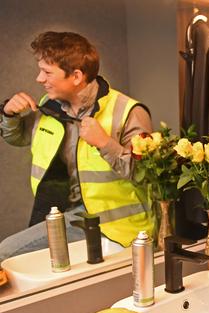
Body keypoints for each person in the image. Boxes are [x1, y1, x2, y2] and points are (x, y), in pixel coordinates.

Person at [0, 31, 153, 263]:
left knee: (5, 254)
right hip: (61, 215)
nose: (39, 79)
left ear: (76, 76)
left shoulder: (129, 112)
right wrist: (9, 114)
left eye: (47, 72)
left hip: (114, 225)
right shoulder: (48, 106)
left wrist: (105, 143)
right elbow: (18, 137)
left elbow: (147, 175)